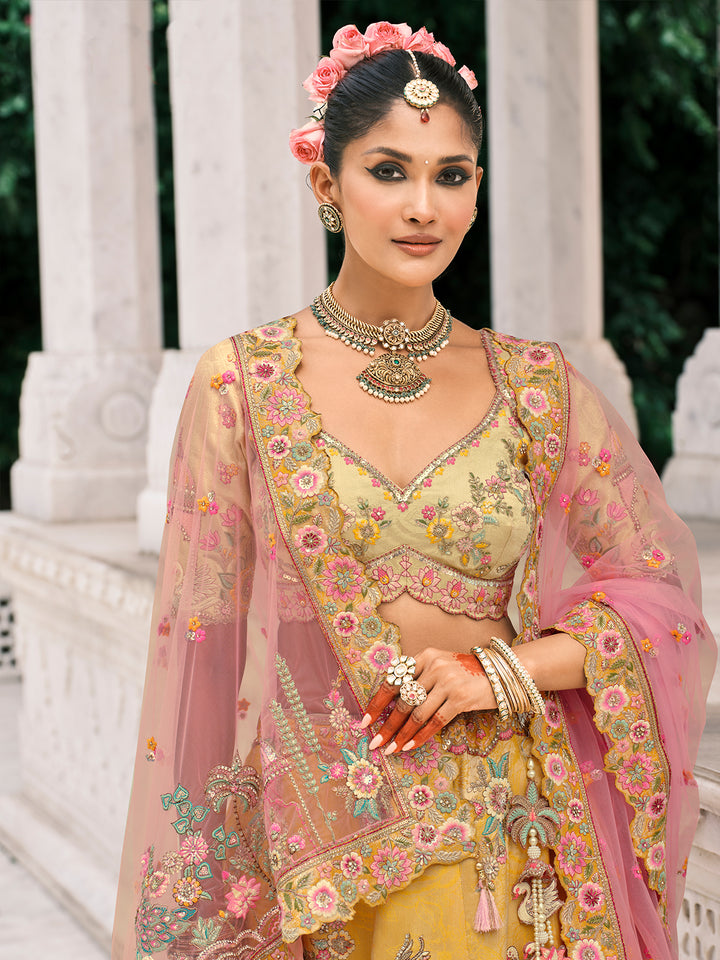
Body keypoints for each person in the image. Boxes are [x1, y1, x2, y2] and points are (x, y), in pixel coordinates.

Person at [112, 21, 715, 960]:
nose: (423, 206)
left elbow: (663, 603)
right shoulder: (243, 385)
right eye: (388, 171)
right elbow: (203, 663)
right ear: (328, 184)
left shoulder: (536, 387)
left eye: (452, 174)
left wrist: (500, 671)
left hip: (514, 852)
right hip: (315, 853)